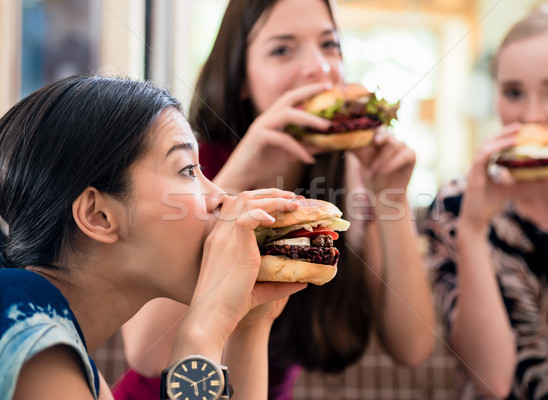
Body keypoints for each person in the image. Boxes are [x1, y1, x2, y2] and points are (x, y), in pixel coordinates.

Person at [117, 0, 435, 398]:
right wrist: (241, 173)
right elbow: (147, 353)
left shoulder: (347, 178)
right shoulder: (187, 166)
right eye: (283, 49)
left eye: (330, 45)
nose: (318, 68)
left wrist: (394, 197)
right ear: (242, 77)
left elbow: (412, 346)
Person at [0, 75, 307, 400]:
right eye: (188, 170)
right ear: (98, 216)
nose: (221, 196)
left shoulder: (70, 359)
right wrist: (204, 326)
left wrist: (250, 325)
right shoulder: (34, 345)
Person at [426, 3, 548, 399]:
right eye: (513, 93)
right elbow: (492, 381)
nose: (533, 114)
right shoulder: (455, 203)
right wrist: (471, 230)